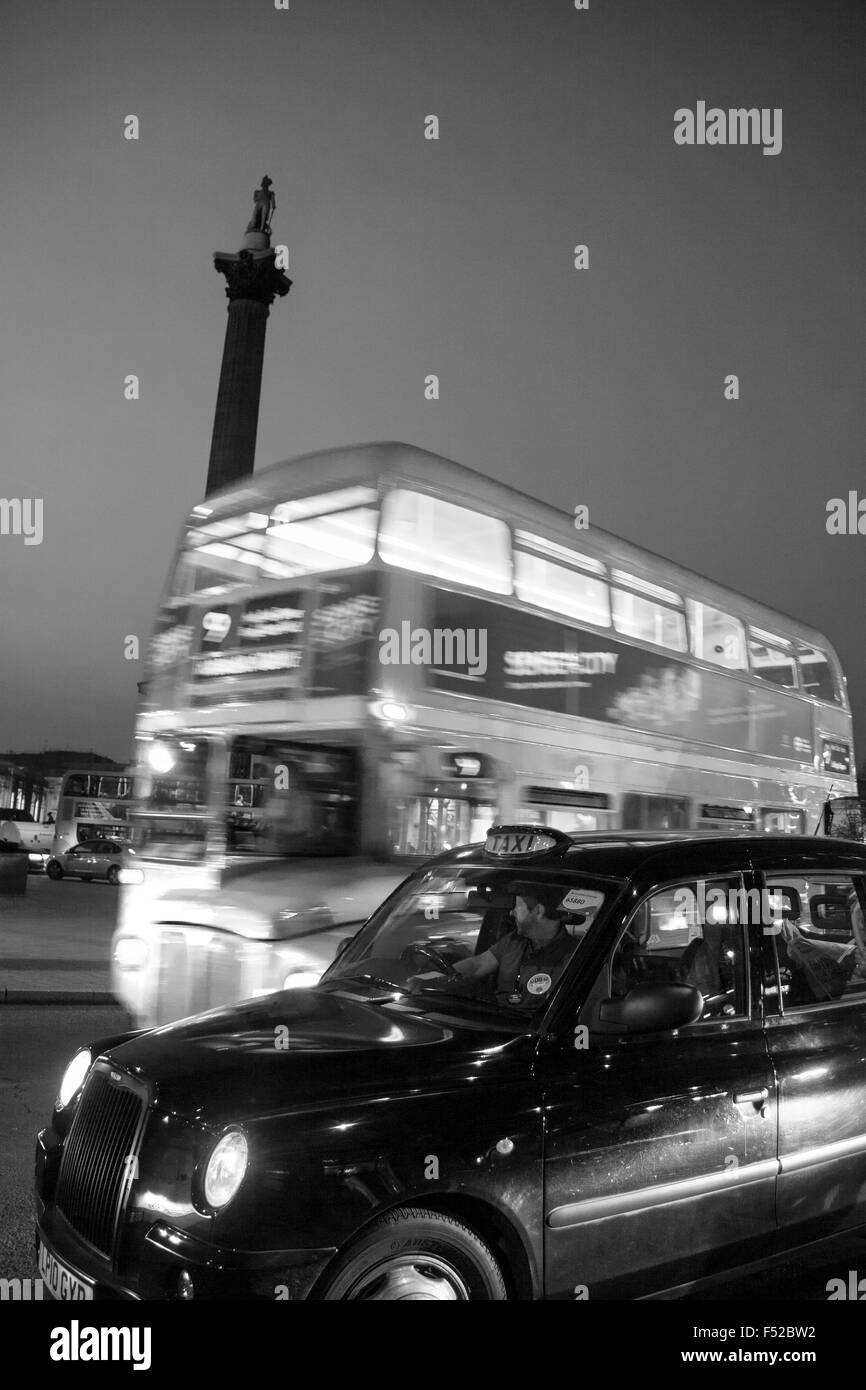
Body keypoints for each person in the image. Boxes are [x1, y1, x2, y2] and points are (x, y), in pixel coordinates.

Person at [412, 882, 577, 1008]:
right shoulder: (514, 940)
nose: (511, 913)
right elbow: (477, 964)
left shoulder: (573, 956)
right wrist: (436, 979)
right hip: (496, 1020)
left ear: (538, 911)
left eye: (517, 907)